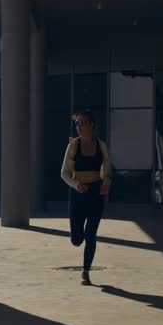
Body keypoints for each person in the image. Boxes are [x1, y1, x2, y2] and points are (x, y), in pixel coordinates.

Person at [59, 109, 113, 285]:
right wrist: (76, 185)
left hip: (96, 193)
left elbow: (107, 169)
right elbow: (64, 173)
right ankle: (77, 237)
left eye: (83, 123)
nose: (79, 127)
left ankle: (86, 272)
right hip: (77, 194)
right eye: (77, 123)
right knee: (76, 240)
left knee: (91, 235)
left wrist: (106, 183)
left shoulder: (101, 145)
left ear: (92, 125)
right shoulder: (73, 146)